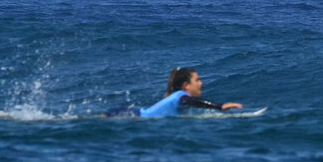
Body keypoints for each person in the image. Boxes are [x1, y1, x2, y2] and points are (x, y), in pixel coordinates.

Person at [104, 67, 242, 118]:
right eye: (197, 80)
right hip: (129, 115)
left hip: (130, 113)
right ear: (186, 85)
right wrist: (219, 107)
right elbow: (191, 102)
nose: (201, 83)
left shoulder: (176, 96)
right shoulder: (182, 96)